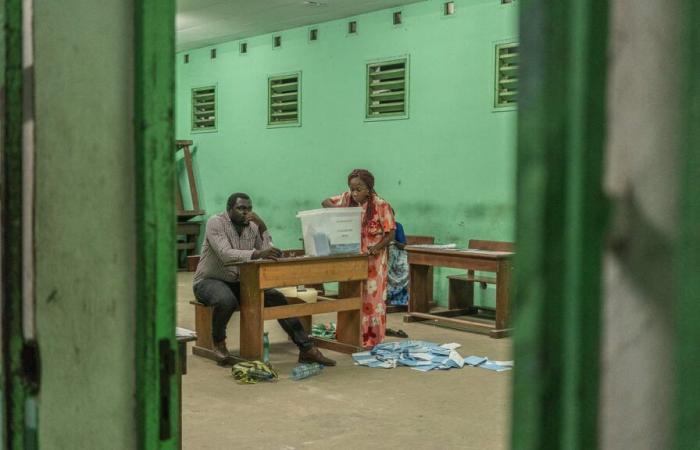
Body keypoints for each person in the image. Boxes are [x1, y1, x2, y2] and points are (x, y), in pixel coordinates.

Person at [193, 192, 336, 366]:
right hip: (209, 281)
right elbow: (226, 255)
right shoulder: (216, 223)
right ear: (229, 210)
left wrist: (262, 226)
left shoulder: (253, 227)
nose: (246, 213)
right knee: (225, 301)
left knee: (278, 298)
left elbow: (269, 252)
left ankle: (307, 349)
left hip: (240, 283)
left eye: (249, 209)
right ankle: (219, 342)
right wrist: (259, 253)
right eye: (240, 208)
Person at [322, 169, 395, 347]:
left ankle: (372, 339)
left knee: (372, 300)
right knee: (350, 295)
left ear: (369, 189)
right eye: (352, 189)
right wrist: (341, 212)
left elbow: (390, 233)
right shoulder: (347, 199)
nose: (355, 193)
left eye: (359, 189)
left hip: (374, 261)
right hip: (352, 258)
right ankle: (350, 335)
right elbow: (325, 202)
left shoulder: (380, 205)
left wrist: (376, 248)